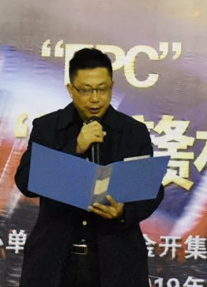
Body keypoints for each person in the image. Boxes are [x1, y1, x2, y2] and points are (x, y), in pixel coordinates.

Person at [14, 47, 164, 287]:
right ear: (71, 90)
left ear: (111, 87)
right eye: (85, 90)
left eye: (102, 89)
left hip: (115, 263)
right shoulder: (48, 128)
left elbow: (151, 188)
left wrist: (124, 212)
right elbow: (25, 181)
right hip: (55, 262)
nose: (95, 98)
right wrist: (75, 148)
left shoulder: (133, 132)